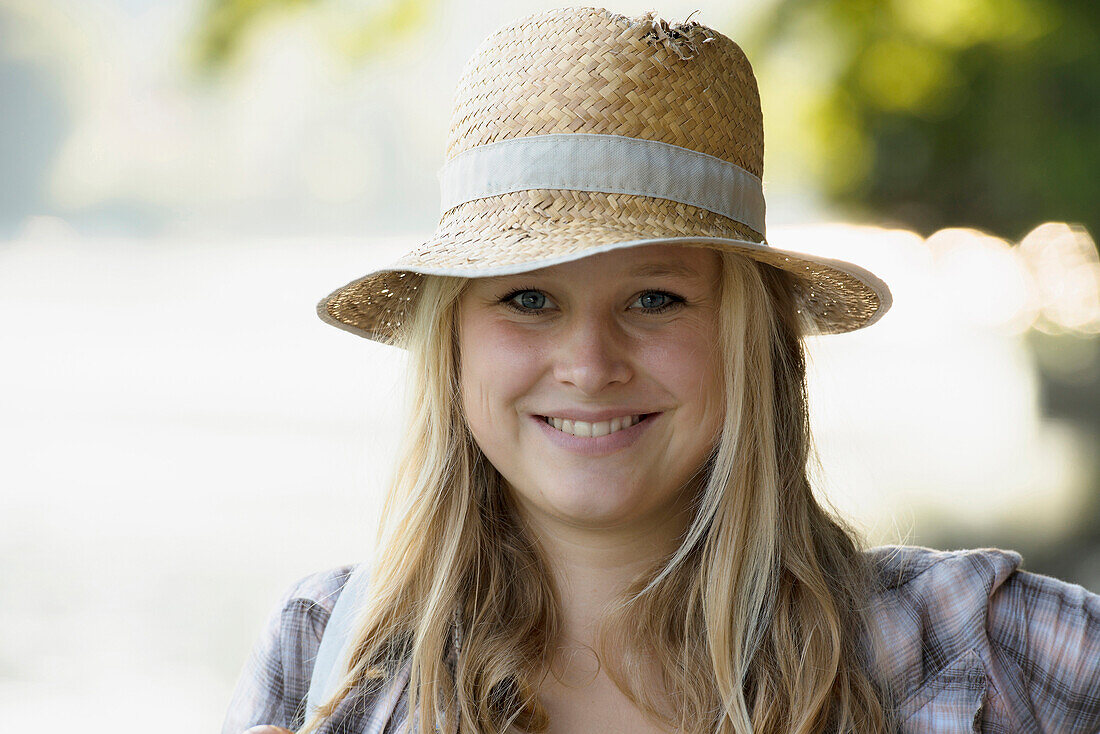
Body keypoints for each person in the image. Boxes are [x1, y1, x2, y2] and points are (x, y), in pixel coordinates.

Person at [221, 7, 1100, 734]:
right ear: (451, 344)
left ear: (751, 343)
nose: (590, 364)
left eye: (655, 300)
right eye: (528, 300)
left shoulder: (969, 643)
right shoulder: (332, 658)